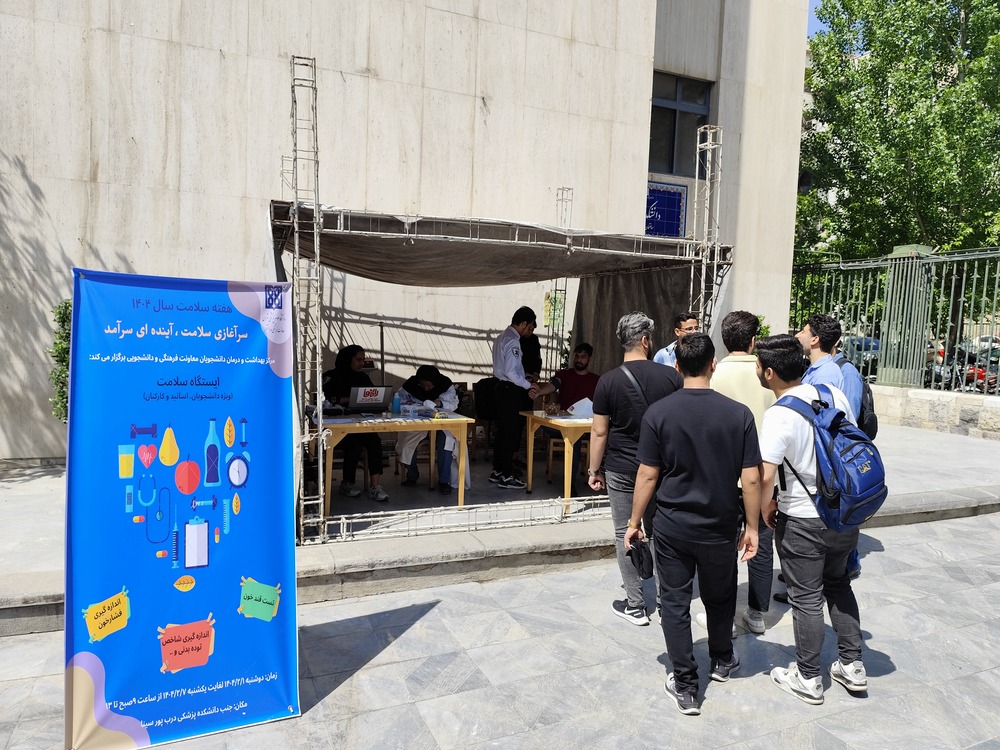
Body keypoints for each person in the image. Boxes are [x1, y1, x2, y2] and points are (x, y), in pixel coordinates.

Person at [625, 332, 762, 716]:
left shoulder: (659, 414)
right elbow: (751, 478)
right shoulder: (739, 415)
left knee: (674, 600)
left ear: (676, 366)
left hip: (673, 525)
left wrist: (634, 521)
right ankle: (722, 658)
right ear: (712, 365)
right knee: (720, 595)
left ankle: (685, 684)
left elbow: (647, 474)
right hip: (721, 524)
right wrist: (752, 528)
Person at [755, 334, 867, 705]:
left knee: (805, 598)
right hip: (842, 514)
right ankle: (852, 665)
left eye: (759, 364)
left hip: (802, 518)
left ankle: (808, 676)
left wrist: (765, 506)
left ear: (768, 372)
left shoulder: (779, 413)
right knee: (838, 584)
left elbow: (765, 474)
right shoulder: (831, 394)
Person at [587, 312, 683, 627]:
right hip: (661, 467)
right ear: (645, 340)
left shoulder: (608, 381)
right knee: (658, 531)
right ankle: (668, 602)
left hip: (621, 467)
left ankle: (635, 604)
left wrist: (593, 470)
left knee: (623, 532)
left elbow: (599, 432)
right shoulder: (671, 378)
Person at [711, 310, 776, 635]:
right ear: (753, 340)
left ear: (725, 339)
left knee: (724, 547)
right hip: (764, 476)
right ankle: (756, 613)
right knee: (761, 543)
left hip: (721, 478)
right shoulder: (767, 374)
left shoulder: (713, 374)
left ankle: (723, 616)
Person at [796, 313, 863, 578]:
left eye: (803, 331)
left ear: (815, 339)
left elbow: (825, 424)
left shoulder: (825, 375)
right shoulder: (818, 369)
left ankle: (820, 578)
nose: (798, 335)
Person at [321, 345, 389, 502]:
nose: (361, 364)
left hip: (358, 425)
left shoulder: (363, 377)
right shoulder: (330, 377)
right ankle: (347, 483)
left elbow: (373, 397)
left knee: (374, 441)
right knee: (353, 446)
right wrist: (352, 398)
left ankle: (375, 486)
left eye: (363, 360)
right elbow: (325, 399)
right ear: (347, 359)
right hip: (335, 428)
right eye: (358, 360)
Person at [532, 343, 600, 492]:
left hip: (586, 427)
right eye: (577, 356)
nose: (579, 360)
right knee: (569, 435)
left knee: (596, 433)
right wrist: (539, 392)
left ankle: (588, 479)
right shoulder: (564, 375)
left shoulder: (596, 380)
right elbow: (553, 385)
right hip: (562, 426)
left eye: (583, 357)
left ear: (589, 359)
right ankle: (569, 485)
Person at [395, 365, 460, 495]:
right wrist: (413, 406)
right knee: (406, 441)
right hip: (418, 422)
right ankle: (412, 475)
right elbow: (400, 400)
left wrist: (439, 403)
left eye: (429, 386)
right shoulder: (410, 385)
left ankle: (444, 481)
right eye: (422, 385)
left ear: (435, 382)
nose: (425, 389)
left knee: (446, 441)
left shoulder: (445, 385)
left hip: (441, 423)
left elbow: (454, 404)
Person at [489, 307, 536, 490]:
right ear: (523, 323)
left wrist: (524, 377)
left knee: (502, 432)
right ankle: (507, 476)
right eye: (529, 327)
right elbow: (511, 371)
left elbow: (509, 368)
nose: (528, 331)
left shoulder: (501, 337)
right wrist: (527, 385)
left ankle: (498, 470)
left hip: (500, 387)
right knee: (510, 433)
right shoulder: (513, 340)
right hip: (510, 390)